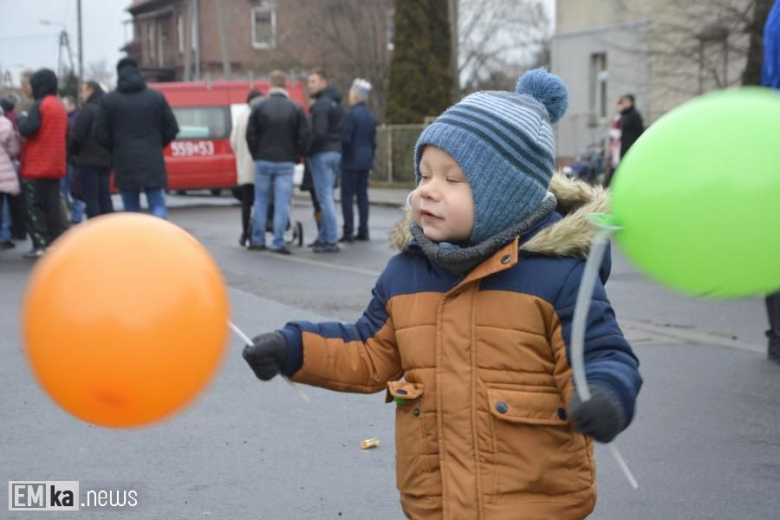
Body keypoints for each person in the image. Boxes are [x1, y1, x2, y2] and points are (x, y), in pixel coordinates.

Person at [242, 69, 642, 519]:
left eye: (453, 179)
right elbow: (366, 350)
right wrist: (294, 348)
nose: (427, 191)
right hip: (436, 501)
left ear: (506, 196)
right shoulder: (406, 274)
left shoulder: (558, 278)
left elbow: (603, 355)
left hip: (534, 501)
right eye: (425, 174)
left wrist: (605, 396)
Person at [93, 57, 179, 218]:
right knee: (157, 203)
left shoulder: (109, 101)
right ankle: (159, 238)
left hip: (124, 161)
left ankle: (136, 241)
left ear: (119, 74)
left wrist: (115, 147)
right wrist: (156, 144)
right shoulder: (156, 97)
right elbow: (172, 128)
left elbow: (98, 133)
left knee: (131, 209)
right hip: (152, 159)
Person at [245, 70, 308, 254]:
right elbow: (303, 136)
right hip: (286, 162)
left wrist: (256, 153)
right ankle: (278, 241)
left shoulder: (259, 107)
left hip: (263, 160)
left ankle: (257, 239)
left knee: (261, 201)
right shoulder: (295, 108)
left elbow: (250, 134)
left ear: (270, 85)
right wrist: (296, 155)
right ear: (285, 85)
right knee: (282, 203)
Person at [18, 68, 69, 259]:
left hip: (36, 165)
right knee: (52, 207)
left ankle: (40, 244)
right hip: (55, 165)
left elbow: (27, 129)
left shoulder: (40, 105)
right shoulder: (58, 105)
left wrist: (22, 117)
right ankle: (54, 243)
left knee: (33, 207)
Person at [306, 68, 343, 253]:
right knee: (327, 197)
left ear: (323, 82)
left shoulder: (321, 105)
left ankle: (330, 239)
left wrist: (308, 151)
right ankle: (326, 237)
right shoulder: (336, 103)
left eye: (313, 81)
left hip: (322, 154)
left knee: (325, 198)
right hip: (336, 152)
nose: (309, 85)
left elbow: (319, 133)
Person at [68, 81, 113, 219]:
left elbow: (77, 136)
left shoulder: (87, 110)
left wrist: (72, 153)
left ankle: (96, 230)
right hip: (106, 159)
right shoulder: (108, 108)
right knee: (105, 196)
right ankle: (109, 227)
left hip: (87, 160)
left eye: (83, 91)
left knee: (91, 198)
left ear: (90, 90)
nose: (81, 95)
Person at [339, 78, 377, 243]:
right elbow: (373, 143)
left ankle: (348, 230)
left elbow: (346, 139)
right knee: (362, 196)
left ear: (355, 96)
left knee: (347, 197)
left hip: (350, 162)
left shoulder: (350, 115)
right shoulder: (371, 117)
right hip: (365, 161)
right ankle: (363, 230)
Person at [230, 88, 263, 247]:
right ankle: (259, 231)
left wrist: (241, 156)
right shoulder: (261, 113)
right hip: (259, 164)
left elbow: (233, 141)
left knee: (247, 202)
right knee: (261, 201)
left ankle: (244, 233)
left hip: (245, 166)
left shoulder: (242, 116)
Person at [0, 105, 21, 249]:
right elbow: (14, 149)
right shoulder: (6, 124)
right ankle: (4, 235)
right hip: (3, 169)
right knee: (3, 204)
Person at [61, 95, 84, 223]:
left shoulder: (75, 119)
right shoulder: (72, 117)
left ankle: (76, 215)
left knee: (72, 187)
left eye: (64, 105)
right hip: (67, 157)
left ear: (72, 105)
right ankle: (73, 214)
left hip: (71, 157)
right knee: (66, 187)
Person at [617, 94, 644, 161]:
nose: (624, 103)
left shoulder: (634, 115)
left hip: (631, 145)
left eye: (626, 101)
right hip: (623, 145)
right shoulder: (623, 115)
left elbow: (640, 130)